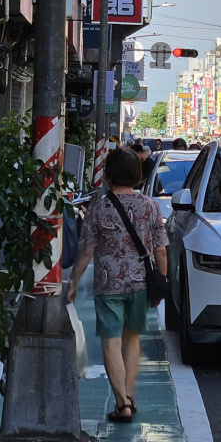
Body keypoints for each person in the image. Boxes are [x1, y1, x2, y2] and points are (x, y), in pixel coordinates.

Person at [67, 149, 169, 424]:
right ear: (138, 175)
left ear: (107, 174)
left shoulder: (99, 207)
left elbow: (86, 251)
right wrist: (162, 281)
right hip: (139, 284)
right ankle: (128, 394)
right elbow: (160, 249)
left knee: (111, 343)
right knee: (132, 339)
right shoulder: (150, 206)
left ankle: (121, 402)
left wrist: (73, 283)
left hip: (108, 284)